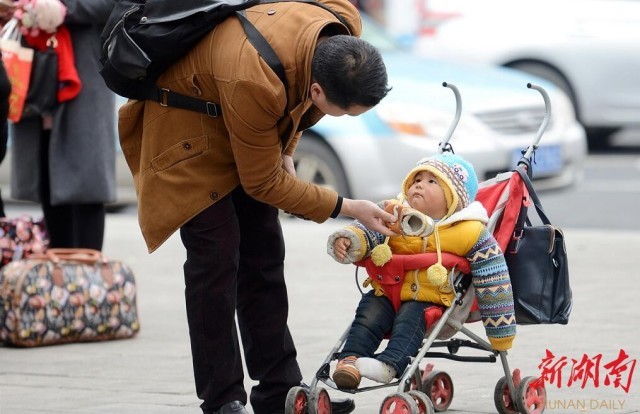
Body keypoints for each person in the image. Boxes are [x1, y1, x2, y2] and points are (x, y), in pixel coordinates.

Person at [118, 1, 396, 413]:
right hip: (186, 134)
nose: (341, 118)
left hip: (245, 123)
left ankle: (280, 394)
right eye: (343, 112)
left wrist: (286, 147)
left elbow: (300, 107)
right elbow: (264, 181)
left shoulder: (341, 24)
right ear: (320, 92)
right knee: (215, 263)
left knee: (265, 255)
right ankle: (222, 398)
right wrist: (348, 207)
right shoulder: (254, 77)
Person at [326, 153, 517, 389]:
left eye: (431, 181)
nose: (419, 184)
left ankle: (389, 365)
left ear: (453, 198)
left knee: (411, 317)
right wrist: (350, 239)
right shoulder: (394, 214)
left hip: (431, 301)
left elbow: (494, 274)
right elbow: (369, 228)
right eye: (417, 178)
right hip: (387, 291)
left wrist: (500, 328)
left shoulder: (468, 231)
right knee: (367, 315)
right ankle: (349, 361)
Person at [9, 0, 117, 251]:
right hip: (34, 74)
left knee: (86, 191)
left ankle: (86, 282)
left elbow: (116, 4)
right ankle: (59, 280)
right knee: (47, 181)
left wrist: (65, 8)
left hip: (82, 77)